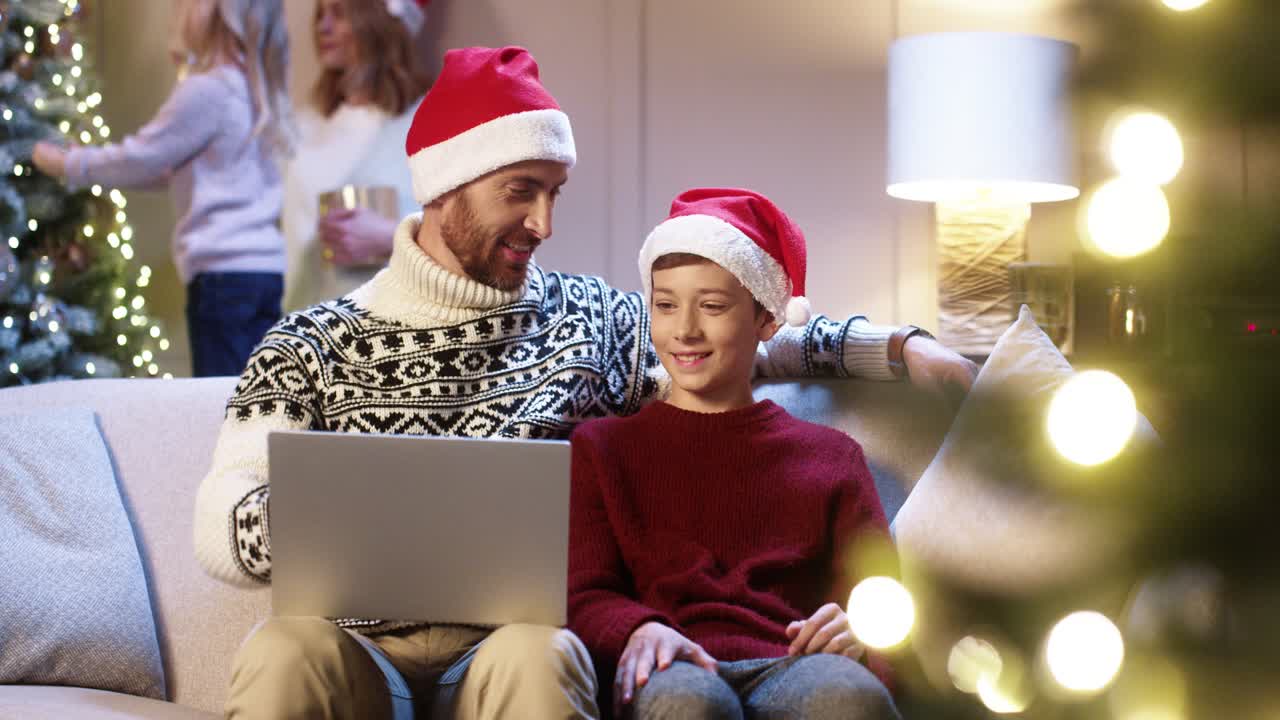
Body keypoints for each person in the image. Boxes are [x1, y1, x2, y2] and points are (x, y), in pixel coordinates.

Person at [194, 46, 974, 720]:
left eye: (553, 193)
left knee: (540, 655)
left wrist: (899, 346)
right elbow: (222, 525)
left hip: (508, 648)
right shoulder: (311, 342)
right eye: (520, 191)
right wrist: (355, 509)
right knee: (283, 648)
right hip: (353, 647)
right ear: (447, 187)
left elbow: (742, 335)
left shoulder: (592, 320)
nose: (544, 223)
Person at [568, 188, 901, 720]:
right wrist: (637, 627)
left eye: (714, 307)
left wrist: (859, 628)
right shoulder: (602, 449)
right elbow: (584, 594)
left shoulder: (832, 456)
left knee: (846, 696)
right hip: (671, 663)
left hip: (796, 661)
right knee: (685, 705)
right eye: (666, 305)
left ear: (767, 320)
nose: (685, 330)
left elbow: (884, 604)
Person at [32, 0, 295, 378]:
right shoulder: (254, 89)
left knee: (221, 399)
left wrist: (66, 164)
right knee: (255, 394)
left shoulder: (207, 91)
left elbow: (140, 158)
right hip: (262, 272)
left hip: (223, 278)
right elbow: (169, 171)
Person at [282, 0, 431, 311]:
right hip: (300, 322)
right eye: (320, 14)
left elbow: (460, 236)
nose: (322, 27)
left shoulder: (421, 125)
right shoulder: (302, 128)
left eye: (339, 14)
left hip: (384, 325)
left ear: (375, 21)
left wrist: (388, 237)